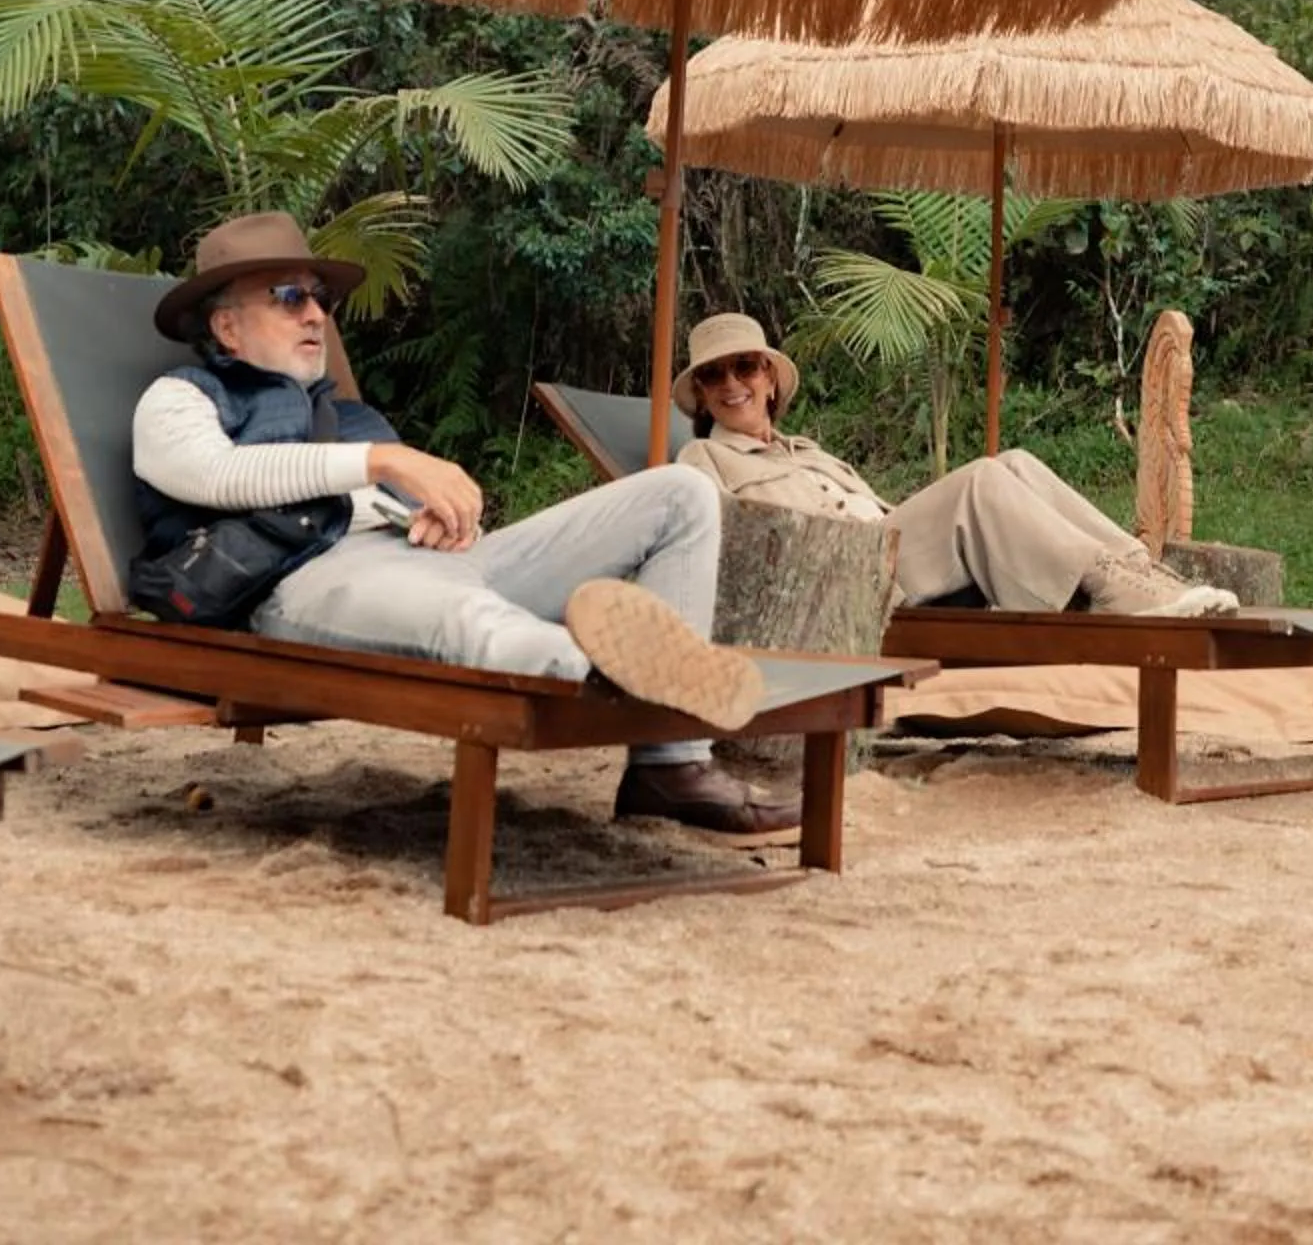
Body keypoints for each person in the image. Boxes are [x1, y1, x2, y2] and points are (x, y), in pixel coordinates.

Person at [129, 212, 794, 840]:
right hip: (308, 579)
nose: (315, 314)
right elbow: (211, 474)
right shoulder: (182, 398)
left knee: (680, 493)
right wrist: (383, 460)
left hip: (438, 564)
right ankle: (617, 668)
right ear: (227, 328)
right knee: (468, 620)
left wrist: (435, 520)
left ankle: (668, 765)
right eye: (287, 297)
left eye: (319, 299)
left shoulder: (346, 416)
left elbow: (388, 503)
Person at [671, 314, 1237, 617]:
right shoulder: (702, 458)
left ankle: (1138, 571)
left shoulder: (807, 451)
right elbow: (717, 548)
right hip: (836, 576)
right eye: (713, 375)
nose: (732, 383)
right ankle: (1110, 591)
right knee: (982, 479)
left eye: (745, 367)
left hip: (889, 554)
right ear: (700, 394)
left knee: (1014, 462)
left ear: (770, 380)